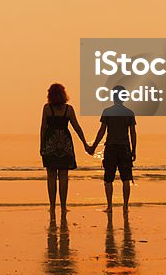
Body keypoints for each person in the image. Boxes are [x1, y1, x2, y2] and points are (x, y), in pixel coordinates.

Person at [40, 83, 90, 214]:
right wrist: (85, 144)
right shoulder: (68, 109)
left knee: (51, 176)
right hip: (65, 144)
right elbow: (77, 127)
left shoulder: (47, 108)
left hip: (50, 144)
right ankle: (63, 206)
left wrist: (41, 145)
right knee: (63, 176)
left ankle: (52, 206)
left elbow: (43, 128)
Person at [86, 85, 137, 213]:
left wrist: (93, 146)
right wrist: (134, 149)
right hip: (124, 147)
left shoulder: (108, 111)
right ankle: (125, 206)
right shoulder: (129, 113)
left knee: (108, 178)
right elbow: (133, 133)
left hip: (111, 148)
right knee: (126, 178)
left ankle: (110, 206)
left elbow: (102, 131)